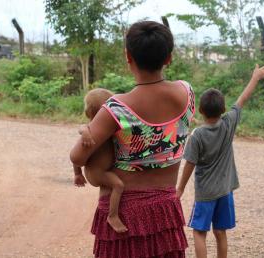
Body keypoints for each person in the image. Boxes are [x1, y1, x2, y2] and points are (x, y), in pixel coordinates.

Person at [70, 20, 195, 258]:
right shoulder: (187, 93)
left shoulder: (116, 109)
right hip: (165, 212)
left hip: (124, 217)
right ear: (168, 58)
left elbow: (78, 156)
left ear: (129, 56)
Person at [176, 64, 264, 258]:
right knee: (220, 232)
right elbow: (243, 99)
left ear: (201, 110)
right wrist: (255, 77)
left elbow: (190, 164)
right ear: (223, 109)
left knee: (199, 232)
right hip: (225, 191)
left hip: (205, 193)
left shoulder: (197, 135)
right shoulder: (229, 123)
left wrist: (180, 189)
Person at [73, 88, 128, 233]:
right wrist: (77, 173)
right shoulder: (90, 128)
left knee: (113, 186)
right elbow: (76, 153)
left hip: (103, 170)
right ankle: (112, 215)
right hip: (97, 172)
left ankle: (109, 210)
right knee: (118, 185)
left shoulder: (109, 127)